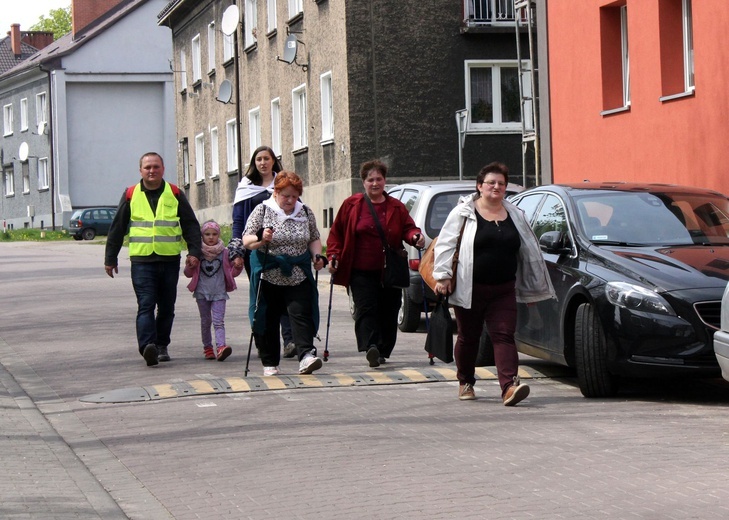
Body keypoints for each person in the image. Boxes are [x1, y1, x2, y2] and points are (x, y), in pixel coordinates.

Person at [432, 162, 555, 405]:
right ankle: (465, 380)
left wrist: (532, 285)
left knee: (504, 335)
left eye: (501, 183)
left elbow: (528, 250)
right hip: (470, 288)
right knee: (469, 337)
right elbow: (445, 244)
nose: (496, 187)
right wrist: (443, 276)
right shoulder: (463, 213)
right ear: (479, 186)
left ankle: (509, 387)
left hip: (504, 289)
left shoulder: (516, 215)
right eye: (491, 182)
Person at [104, 152, 202, 366]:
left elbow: (190, 224)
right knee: (146, 304)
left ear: (163, 169)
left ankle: (161, 345)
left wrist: (194, 252)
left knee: (167, 307)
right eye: (147, 167)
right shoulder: (131, 194)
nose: (152, 170)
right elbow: (117, 228)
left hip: (169, 260)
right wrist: (110, 257)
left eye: (156, 167)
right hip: (142, 261)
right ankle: (147, 346)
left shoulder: (174, 193)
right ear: (140, 170)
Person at [327, 159, 424, 368]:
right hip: (360, 270)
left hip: (390, 270)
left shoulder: (396, 207)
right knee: (365, 309)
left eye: (378, 179)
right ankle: (370, 345)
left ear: (384, 181)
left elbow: (408, 228)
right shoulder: (352, 205)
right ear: (363, 182)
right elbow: (337, 234)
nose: (375, 183)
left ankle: (382, 349)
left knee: (389, 310)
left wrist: (415, 236)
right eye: (370, 179)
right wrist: (333, 255)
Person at [243, 171, 327, 376]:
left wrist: (317, 256)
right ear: (276, 192)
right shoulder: (262, 210)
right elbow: (247, 240)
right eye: (285, 195)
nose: (290, 200)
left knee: (301, 314)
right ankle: (270, 362)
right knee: (268, 318)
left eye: (294, 195)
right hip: (269, 273)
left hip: (297, 273)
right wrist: (262, 238)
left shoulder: (305, 212)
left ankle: (306, 355)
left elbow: (314, 238)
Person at [228, 146, 296, 358]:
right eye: (258, 159)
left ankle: (289, 340)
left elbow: (297, 210)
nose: (263, 163)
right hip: (256, 250)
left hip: (283, 248)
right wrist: (237, 250)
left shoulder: (284, 183)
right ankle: (263, 340)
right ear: (254, 163)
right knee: (262, 296)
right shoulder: (246, 188)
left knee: (285, 293)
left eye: (266, 158)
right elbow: (239, 220)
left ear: (273, 161)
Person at [184, 220, 243, 361]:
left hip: (219, 292)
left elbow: (232, 273)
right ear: (202, 236)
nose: (211, 237)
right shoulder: (197, 253)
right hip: (202, 292)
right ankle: (208, 347)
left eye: (214, 234)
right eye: (207, 234)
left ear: (219, 235)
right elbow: (187, 273)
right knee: (205, 321)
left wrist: (238, 266)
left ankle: (221, 347)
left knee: (219, 321)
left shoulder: (225, 253)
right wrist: (190, 265)